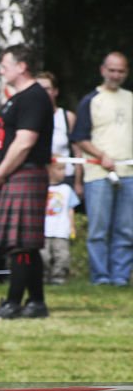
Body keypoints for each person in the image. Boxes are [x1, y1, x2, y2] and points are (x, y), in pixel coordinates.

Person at [0, 44, 55, 319]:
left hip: (26, 172)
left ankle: (13, 302)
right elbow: (6, 140)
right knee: (23, 242)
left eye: (6, 64)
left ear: (22, 66)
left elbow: (25, 143)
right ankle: (36, 302)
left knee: (21, 243)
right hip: (16, 173)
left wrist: (0, 172)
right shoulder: (17, 98)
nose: (2, 69)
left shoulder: (34, 97)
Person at [72, 52, 133, 286]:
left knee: (126, 230)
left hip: (129, 173)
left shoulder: (130, 98)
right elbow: (79, 136)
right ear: (103, 70)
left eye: (121, 71)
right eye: (112, 70)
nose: (116, 75)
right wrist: (102, 156)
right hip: (99, 173)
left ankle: (120, 277)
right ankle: (101, 277)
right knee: (98, 230)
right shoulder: (91, 100)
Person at [35, 71, 81, 194]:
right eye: (39, 89)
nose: (43, 93)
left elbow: (77, 152)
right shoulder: (30, 117)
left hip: (65, 177)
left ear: (55, 91)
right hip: (38, 176)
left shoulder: (67, 117)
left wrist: (78, 182)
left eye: (47, 89)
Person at [42, 162, 79, 285]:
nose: (63, 172)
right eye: (59, 169)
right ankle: (43, 277)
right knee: (43, 256)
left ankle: (59, 278)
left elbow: (70, 209)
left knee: (62, 256)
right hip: (43, 230)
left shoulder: (66, 190)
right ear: (49, 170)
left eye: (64, 169)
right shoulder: (41, 187)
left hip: (61, 231)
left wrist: (72, 226)